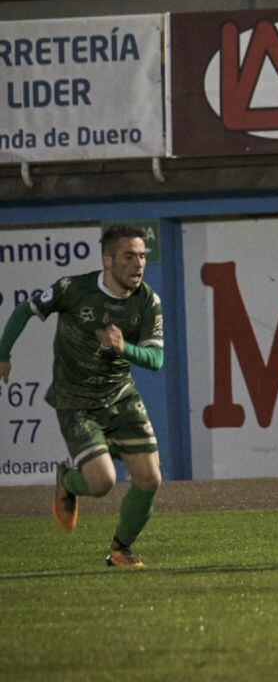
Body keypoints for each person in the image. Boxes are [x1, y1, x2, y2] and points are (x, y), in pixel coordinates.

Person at [0, 224, 165, 568]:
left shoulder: (147, 301)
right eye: (129, 256)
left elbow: (157, 360)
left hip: (120, 396)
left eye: (142, 256)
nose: (138, 264)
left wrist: (125, 348)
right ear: (108, 259)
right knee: (102, 482)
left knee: (150, 479)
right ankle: (69, 482)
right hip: (75, 400)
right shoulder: (72, 289)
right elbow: (24, 311)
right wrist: (3, 354)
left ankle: (119, 550)